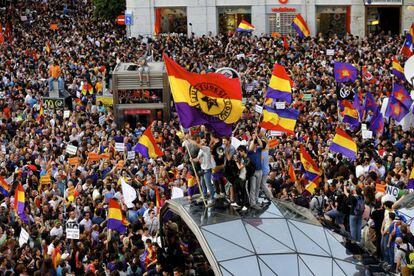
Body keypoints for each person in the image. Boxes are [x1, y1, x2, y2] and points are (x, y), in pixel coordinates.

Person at [247, 132, 263, 209]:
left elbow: (262, 144)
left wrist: (257, 137)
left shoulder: (259, 150)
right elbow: (250, 148)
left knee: (257, 187)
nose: (253, 145)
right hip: (253, 172)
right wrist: (253, 139)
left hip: (260, 171)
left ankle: (256, 201)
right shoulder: (249, 152)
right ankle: (252, 203)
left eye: (254, 144)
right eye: (252, 143)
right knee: (252, 188)